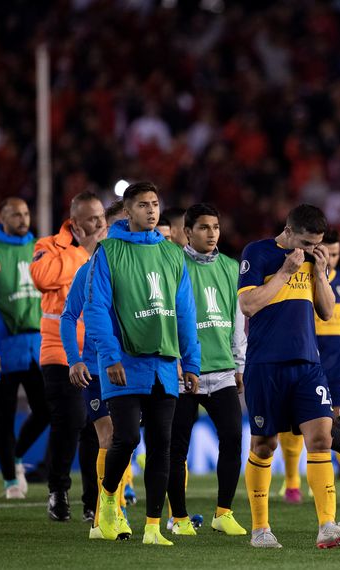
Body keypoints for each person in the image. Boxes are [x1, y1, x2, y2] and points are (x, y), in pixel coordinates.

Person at [84, 181, 201, 545]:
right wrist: (109, 356)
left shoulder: (172, 254)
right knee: (127, 438)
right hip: (124, 363)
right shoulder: (108, 251)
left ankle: (153, 527)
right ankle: (108, 500)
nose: (151, 210)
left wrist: (192, 362)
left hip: (164, 365)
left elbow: (185, 312)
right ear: (128, 211)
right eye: (143, 205)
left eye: (155, 204)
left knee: (161, 444)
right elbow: (96, 308)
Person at [238, 203, 340, 549]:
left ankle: (327, 525)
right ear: (288, 232)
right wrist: (285, 273)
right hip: (266, 365)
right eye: (306, 243)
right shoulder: (257, 253)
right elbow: (248, 305)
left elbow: (326, 311)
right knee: (264, 445)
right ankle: (260, 529)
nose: (311, 250)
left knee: (322, 438)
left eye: (316, 244)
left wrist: (319, 272)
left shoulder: (313, 260)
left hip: (308, 363)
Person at [166, 203, 247, 536]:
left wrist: (239, 363)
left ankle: (223, 513)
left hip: (223, 370)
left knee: (232, 438)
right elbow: (167, 316)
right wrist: (174, 361)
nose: (211, 233)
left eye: (215, 227)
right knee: (177, 447)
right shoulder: (174, 264)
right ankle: (179, 518)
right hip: (185, 372)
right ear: (187, 232)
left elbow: (237, 320)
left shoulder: (231, 267)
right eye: (203, 227)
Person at [284, 228, 340, 508]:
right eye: (328, 252)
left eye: (336, 254)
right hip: (307, 359)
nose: (332, 259)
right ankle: (292, 483)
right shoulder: (301, 275)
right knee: (294, 423)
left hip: (338, 364)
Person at [31, 191, 106, 522]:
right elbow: (41, 277)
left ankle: (92, 501)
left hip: (96, 351)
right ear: (75, 223)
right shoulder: (48, 246)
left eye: (102, 216)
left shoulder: (108, 250)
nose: (100, 223)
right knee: (72, 418)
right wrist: (85, 252)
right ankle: (58, 491)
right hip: (58, 350)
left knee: (94, 425)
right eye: (93, 219)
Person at [61, 200, 131, 539]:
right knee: (110, 436)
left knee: (127, 439)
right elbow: (68, 316)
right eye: (117, 226)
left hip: (133, 367)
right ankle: (107, 514)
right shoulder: (88, 271)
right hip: (95, 368)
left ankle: (116, 509)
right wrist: (74, 359)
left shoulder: (140, 270)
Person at [0, 198, 47, 500]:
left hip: (37, 345)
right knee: (3, 417)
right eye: (16, 214)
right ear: (2, 217)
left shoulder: (38, 248)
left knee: (46, 409)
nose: (23, 218)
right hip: (4, 346)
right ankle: (10, 481)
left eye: (26, 213)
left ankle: (16, 457)